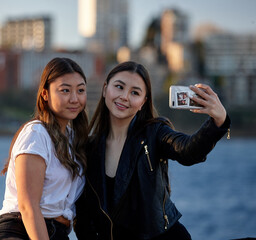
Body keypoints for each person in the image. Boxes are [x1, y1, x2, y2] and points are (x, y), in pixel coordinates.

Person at [74, 61, 231, 240]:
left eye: (135, 92)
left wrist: (219, 120)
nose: (124, 96)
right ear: (105, 90)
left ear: (143, 102)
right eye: (119, 87)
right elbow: (83, 216)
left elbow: (188, 151)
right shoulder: (89, 148)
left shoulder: (155, 132)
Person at [0, 57, 88, 240]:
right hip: (20, 230)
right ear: (45, 94)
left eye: (80, 90)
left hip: (57, 233)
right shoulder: (36, 134)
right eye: (65, 90)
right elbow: (28, 206)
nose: (74, 98)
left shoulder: (75, 140)